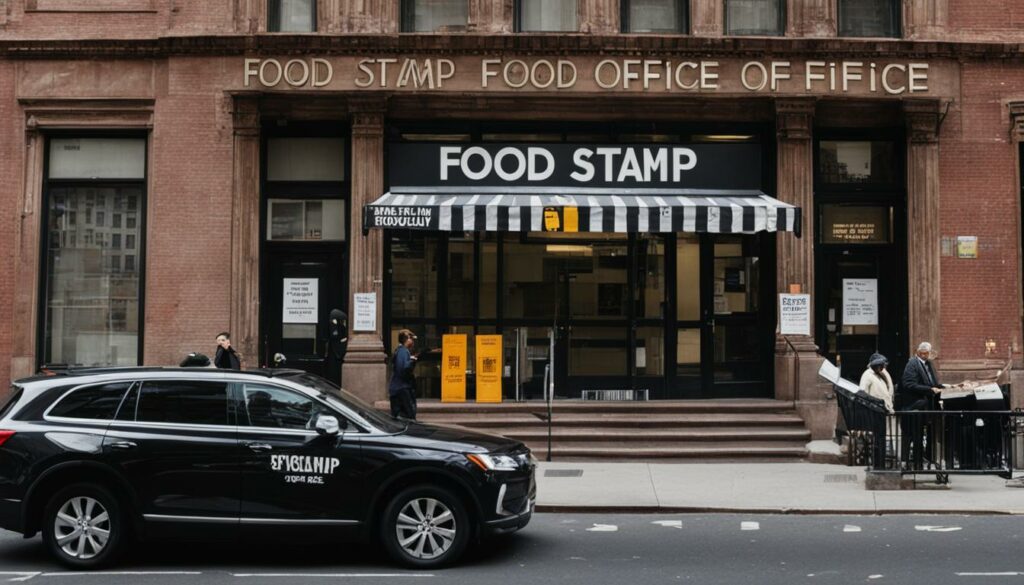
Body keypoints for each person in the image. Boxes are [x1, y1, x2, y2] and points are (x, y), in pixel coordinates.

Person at [900, 341, 942, 410]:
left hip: (928, 402)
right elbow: (909, 384)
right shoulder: (912, 364)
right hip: (917, 403)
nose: (931, 354)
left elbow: (933, 383)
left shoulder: (928, 363)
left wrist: (948, 386)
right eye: (929, 352)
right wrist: (929, 389)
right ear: (922, 353)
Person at [388, 329, 418, 420]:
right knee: (409, 416)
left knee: (399, 416)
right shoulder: (403, 351)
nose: (412, 341)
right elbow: (403, 369)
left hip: (398, 388)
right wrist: (412, 361)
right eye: (411, 339)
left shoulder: (401, 351)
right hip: (401, 389)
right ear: (407, 339)